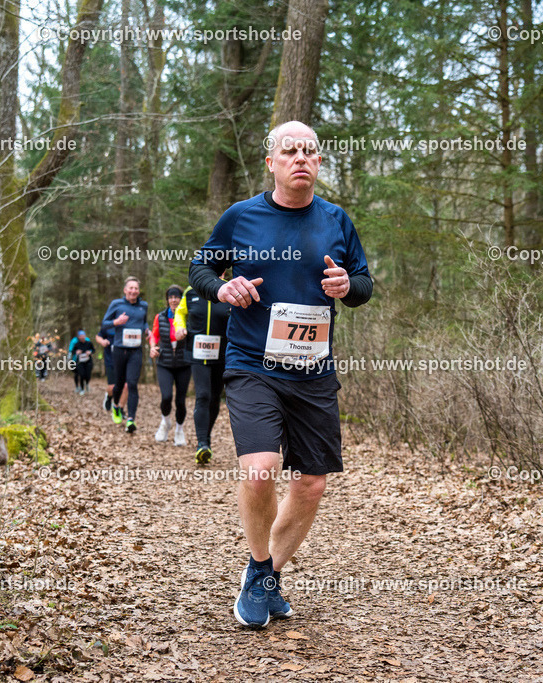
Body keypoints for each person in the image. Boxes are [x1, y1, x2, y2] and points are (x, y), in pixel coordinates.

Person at [189, 121, 372, 628]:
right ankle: (261, 570)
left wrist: (346, 285)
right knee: (260, 468)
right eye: (289, 151)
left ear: (319, 162)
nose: (301, 158)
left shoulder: (336, 219)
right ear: (270, 162)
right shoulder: (241, 217)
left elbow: (363, 282)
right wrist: (222, 290)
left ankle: (264, 576)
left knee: (312, 483)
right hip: (253, 363)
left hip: (313, 371)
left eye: (310, 151)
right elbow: (201, 269)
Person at [175, 280, 230, 464]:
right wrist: (179, 327)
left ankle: (206, 438)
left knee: (215, 398)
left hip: (221, 353)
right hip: (197, 353)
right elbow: (180, 313)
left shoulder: (229, 289)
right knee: (203, 395)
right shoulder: (191, 292)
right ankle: (201, 444)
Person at [100, 277, 149, 432]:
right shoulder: (117, 304)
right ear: (125, 290)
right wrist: (116, 322)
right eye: (131, 288)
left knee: (132, 384)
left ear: (138, 291)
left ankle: (130, 419)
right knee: (119, 384)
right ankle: (116, 406)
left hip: (136, 350)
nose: (133, 291)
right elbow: (104, 324)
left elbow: (144, 322)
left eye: (136, 288)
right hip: (120, 349)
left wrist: (147, 330)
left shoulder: (144, 306)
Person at [149, 285, 191, 446]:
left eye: (177, 297)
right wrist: (153, 347)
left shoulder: (187, 316)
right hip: (164, 363)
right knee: (166, 397)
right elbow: (154, 335)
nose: (173, 300)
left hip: (184, 363)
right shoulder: (160, 317)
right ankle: (165, 422)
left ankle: (179, 431)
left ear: (181, 299)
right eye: (170, 297)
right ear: (167, 299)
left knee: (180, 401)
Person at [95, 323, 116, 411]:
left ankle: (119, 408)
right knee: (112, 387)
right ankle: (109, 397)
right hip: (110, 360)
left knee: (124, 386)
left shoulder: (127, 325)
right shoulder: (108, 326)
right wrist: (102, 341)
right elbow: (98, 337)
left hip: (124, 361)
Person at [69, 330, 95, 395]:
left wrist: (90, 352)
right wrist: (76, 352)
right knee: (80, 374)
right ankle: (81, 388)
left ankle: (87, 384)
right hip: (78, 362)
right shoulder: (75, 343)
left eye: (83, 336)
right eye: (80, 336)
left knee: (88, 375)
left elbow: (93, 350)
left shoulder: (88, 342)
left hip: (88, 361)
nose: (82, 337)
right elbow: (71, 350)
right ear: (78, 337)